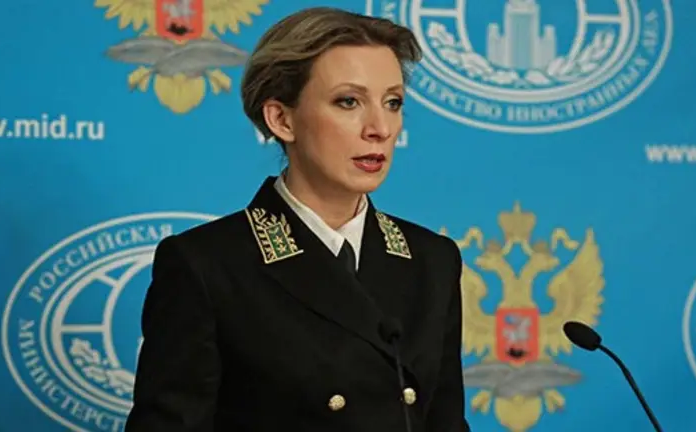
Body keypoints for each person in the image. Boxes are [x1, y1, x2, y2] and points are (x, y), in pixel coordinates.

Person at [125, 6, 469, 432]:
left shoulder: (432, 260)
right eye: (349, 102)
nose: (380, 127)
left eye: (392, 103)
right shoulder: (207, 265)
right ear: (282, 119)